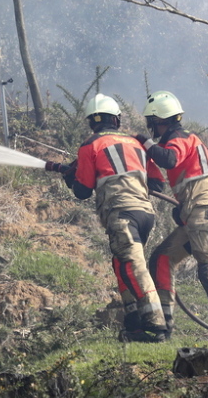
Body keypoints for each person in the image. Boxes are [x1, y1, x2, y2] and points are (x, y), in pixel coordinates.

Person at [45, 93, 168, 342]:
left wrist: (71, 177)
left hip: (121, 215)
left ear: (92, 122)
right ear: (117, 119)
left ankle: (157, 328)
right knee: (122, 263)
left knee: (133, 266)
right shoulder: (135, 143)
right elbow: (158, 183)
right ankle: (133, 321)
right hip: (144, 214)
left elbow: (82, 190)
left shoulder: (90, 145)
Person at [136, 91, 208, 341]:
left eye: (152, 122)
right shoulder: (179, 139)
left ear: (161, 119)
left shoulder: (180, 138)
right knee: (161, 258)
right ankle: (163, 324)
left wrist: (144, 143)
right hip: (194, 211)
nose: (151, 128)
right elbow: (169, 177)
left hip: (203, 211)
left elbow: (169, 160)